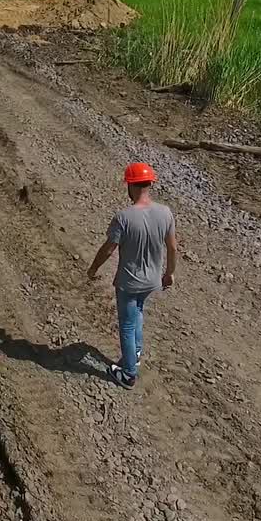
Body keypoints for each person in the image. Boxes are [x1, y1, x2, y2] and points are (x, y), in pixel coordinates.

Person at [86, 162, 177, 389]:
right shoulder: (165, 213)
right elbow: (173, 248)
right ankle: (134, 354)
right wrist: (170, 274)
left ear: (131, 186)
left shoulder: (123, 217)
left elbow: (109, 249)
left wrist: (93, 269)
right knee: (137, 312)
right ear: (149, 184)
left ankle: (128, 374)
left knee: (126, 325)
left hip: (129, 282)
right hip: (152, 280)